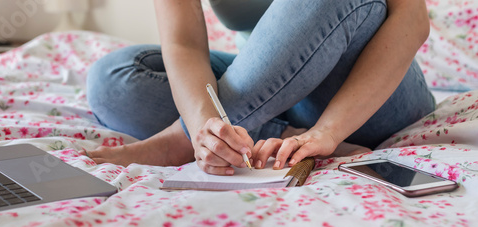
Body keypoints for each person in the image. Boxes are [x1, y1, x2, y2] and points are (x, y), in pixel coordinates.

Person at [84, 0, 435, 176]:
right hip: (274, 88)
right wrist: (204, 120)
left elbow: (413, 18)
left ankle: (178, 141)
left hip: (371, 91)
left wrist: (329, 130)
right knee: (113, 80)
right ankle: (282, 133)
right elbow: (184, 44)